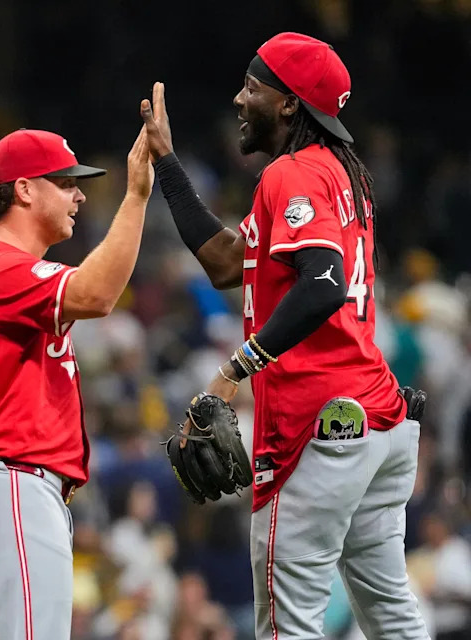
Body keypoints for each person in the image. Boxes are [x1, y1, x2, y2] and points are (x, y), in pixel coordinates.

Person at [144, 33, 429, 638]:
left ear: (291, 105)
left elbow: (323, 284)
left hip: (316, 429)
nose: (239, 98)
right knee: (392, 618)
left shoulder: (293, 174)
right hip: (375, 421)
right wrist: (167, 165)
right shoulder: (335, 173)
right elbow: (227, 263)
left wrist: (231, 373)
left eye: (253, 87)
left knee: (285, 626)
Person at [0, 95, 158, 639]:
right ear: (25, 189)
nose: (80, 194)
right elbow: (99, 294)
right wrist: (137, 196)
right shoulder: (0, 269)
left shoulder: (0, 272)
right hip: (9, 488)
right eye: (66, 182)